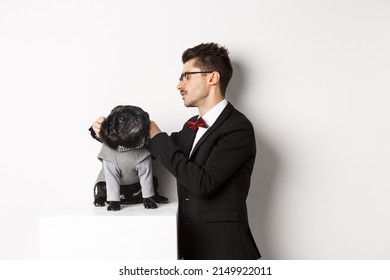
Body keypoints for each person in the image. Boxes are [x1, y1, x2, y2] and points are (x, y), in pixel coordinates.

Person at [92, 42, 260, 259]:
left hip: (226, 252)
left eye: (186, 76)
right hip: (190, 249)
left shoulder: (238, 127)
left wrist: (157, 136)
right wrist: (105, 131)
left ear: (212, 78)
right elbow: (148, 150)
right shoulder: (191, 125)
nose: (179, 85)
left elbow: (202, 183)